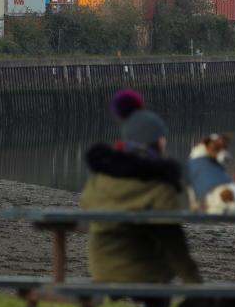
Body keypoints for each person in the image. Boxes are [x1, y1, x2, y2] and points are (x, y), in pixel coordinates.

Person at [80, 109, 201, 285]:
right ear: (157, 143)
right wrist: (193, 279)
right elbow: (173, 238)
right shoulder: (160, 185)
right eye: (162, 138)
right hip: (145, 272)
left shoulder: (99, 178)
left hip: (101, 270)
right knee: (161, 271)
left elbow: (86, 205)